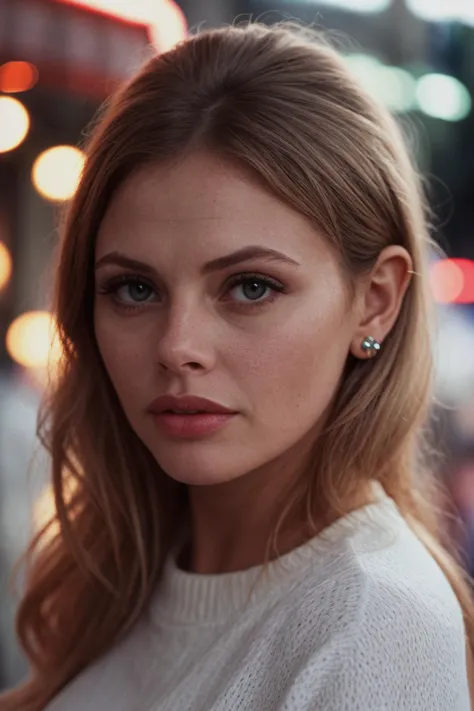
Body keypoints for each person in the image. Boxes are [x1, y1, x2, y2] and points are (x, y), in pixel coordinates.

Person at [2, 21, 474, 711]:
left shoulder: (372, 625)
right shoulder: (125, 573)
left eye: (251, 285)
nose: (177, 345)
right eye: (135, 288)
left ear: (375, 303)